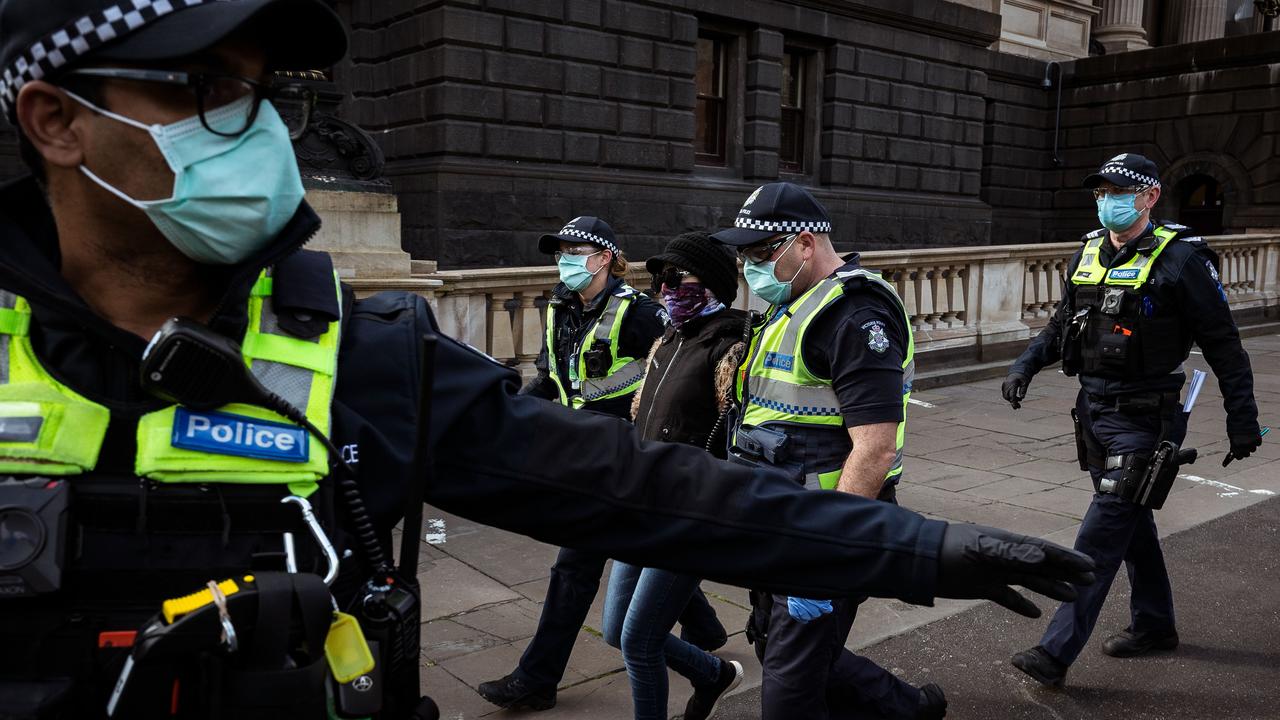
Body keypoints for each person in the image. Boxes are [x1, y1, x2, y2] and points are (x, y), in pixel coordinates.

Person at [0, 2, 1098, 718]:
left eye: (260, 96)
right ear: (56, 120)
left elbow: (640, 486)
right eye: (200, 92)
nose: (260, 133)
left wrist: (917, 548)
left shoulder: (366, 356)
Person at [1001, 153, 1262, 687]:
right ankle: (1155, 624)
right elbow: (1062, 324)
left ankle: (1054, 653)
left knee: (1101, 532)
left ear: (1148, 197)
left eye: (1118, 191)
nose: (1106, 201)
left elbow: (1224, 345)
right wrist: (1025, 365)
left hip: (1148, 416)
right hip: (1093, 410)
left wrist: (1245, 421)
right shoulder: (1090, 251)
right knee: (1132, 521)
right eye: (1099, 192)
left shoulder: (1183, 259)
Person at [710, 182, 947, 720]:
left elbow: (876, 449)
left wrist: (824, 555)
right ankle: (908, 707)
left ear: (807, 242)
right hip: (778, 520)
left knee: (788, 696)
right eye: (742, 254)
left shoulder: (854, 317)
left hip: (824, 530)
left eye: (761, 252)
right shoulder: (795, 303)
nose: (750, 266)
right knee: (776, 646)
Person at [478, 218, 727, 712]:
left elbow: (668, 382)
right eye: (561, 251)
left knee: (574, 566)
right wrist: (513, 414)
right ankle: (704, 628)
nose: (565, 259)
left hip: (624, 461)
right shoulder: (561, 307)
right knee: (634, 546)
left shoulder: (638, 315)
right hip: (583, 455)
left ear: (606, 258)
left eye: (577, 250)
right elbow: (552, 378)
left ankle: (537, 678)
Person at [600, 232, 750, 720]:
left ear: (711, 284)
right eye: (660, 279)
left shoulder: (730, 345)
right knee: (614, 630)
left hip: (687, 511)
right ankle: (713, 674)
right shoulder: (667, 339)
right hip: (641, 504)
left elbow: (736, 441)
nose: (665, 289)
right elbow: (640, 419)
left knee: (639, 641)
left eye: (677, 278)